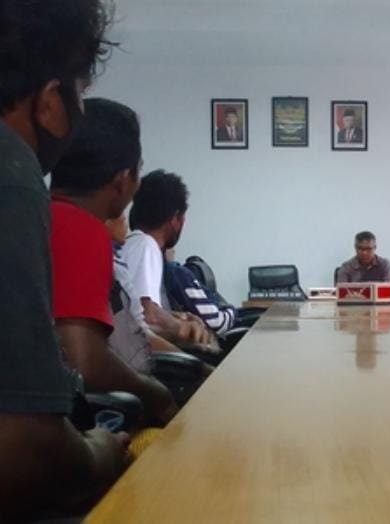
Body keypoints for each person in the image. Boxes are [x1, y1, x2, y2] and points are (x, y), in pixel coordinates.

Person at [0, 1, 129, 519]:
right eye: (80, 93)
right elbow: (22, 449)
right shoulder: (12, 174)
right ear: (51, 101)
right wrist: (103, 451)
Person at [50, 98, 178, 425]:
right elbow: (84, 361)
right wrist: (159, 395)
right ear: (123, 179)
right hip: (99, 420)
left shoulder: (40, 216)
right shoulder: (80, 230)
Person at [124, 171, 237, 338]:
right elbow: (148, 316)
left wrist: (181, 318)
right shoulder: (145, 246)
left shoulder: (135, 245)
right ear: (175, 219)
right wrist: (184, 327)